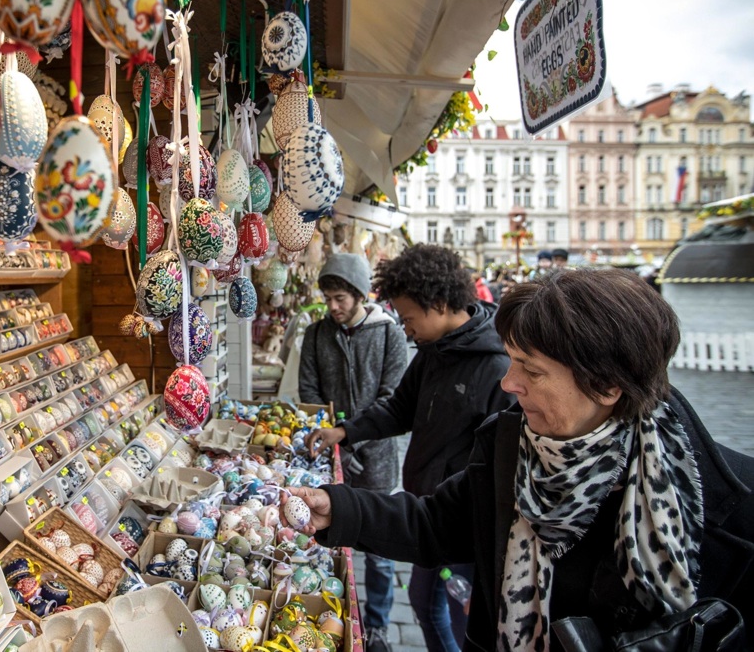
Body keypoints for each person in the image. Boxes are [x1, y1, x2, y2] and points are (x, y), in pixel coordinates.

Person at [291, 269, 754, 651]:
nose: (509, 383)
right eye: (512, 361)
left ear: (608, 386)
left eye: (530, 369)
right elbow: (437, 524)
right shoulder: (509, 445)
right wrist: (341, 509)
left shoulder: (729, 509)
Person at [308, 245, 514, 652]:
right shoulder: (433, 353)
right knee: (423, 602)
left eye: (408, 318)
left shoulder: (496, 368)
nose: (404, 329)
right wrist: (345, 432)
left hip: (467, 528)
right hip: (430, 514)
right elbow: (400, 408)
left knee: (465, 622)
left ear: (437, 304)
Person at [299, 252, 408, 652]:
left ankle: (377, 624)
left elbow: (392, 399)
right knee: (330, 534)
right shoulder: (316, 334)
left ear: (360, 294)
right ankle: (328, 607)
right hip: (330, 456)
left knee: (381, 543)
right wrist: (330, 435)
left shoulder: (388, 334)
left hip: (377, 458)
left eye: (341, 298)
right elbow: (308, 393)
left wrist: (354, 437)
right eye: (328, 298)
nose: (333, 307)